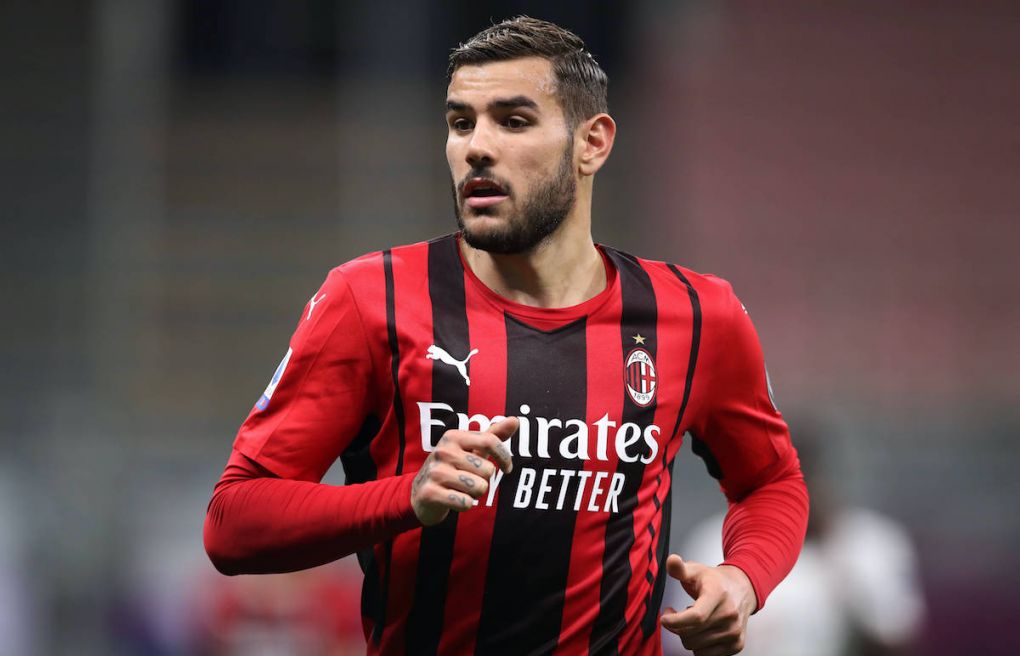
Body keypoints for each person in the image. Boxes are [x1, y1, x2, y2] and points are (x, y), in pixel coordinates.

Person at [204, 16, 809, 656]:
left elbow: (771, 482)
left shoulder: (696, 315)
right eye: (461, 122)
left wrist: (743, 581)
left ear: (593, 143)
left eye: (512, 121)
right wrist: (406, 497)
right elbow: (233, 522)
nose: (476, 147)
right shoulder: (368, 300)